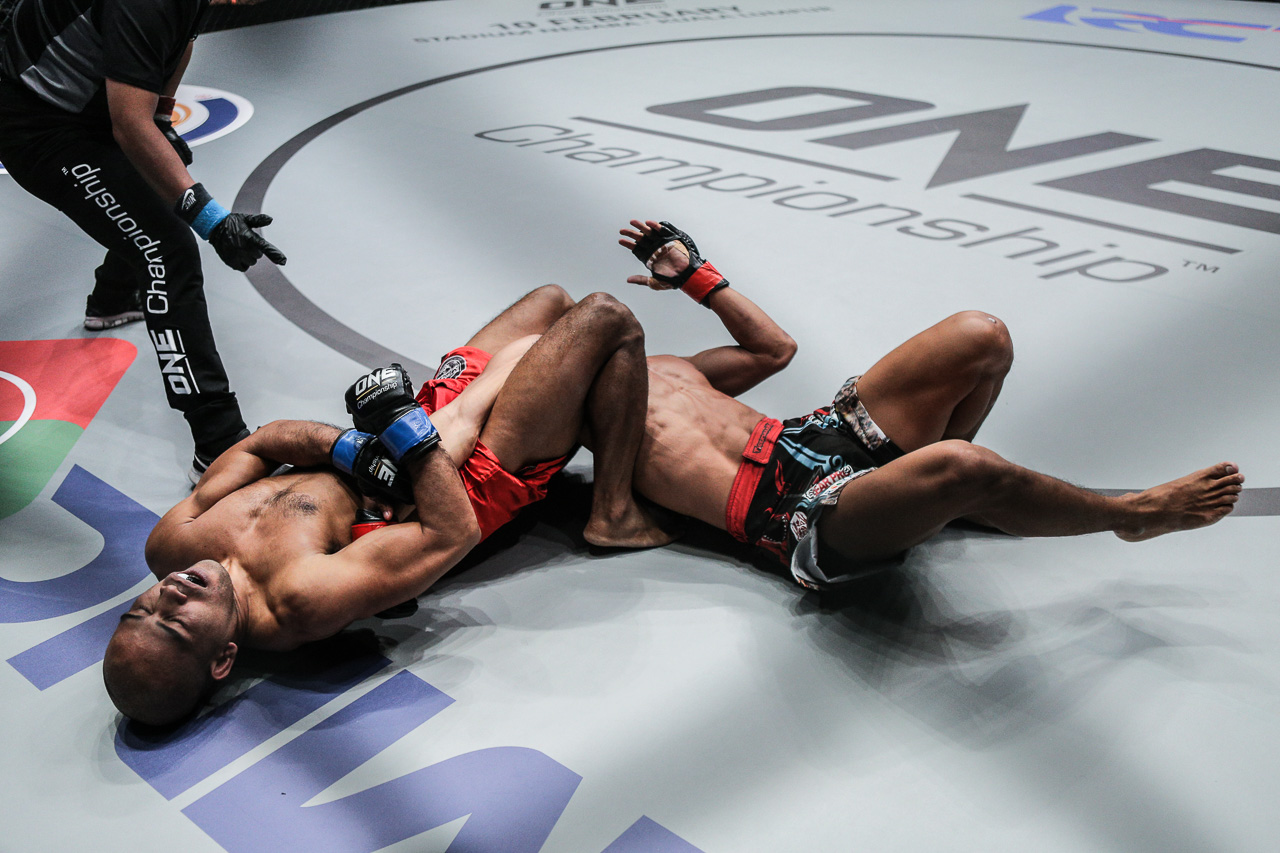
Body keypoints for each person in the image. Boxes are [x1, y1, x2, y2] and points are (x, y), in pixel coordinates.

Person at [103, 286, 673, 726]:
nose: (167, 596)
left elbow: (261, 442)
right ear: (223, 659)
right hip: (466, 477)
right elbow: (450, 533)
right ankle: (614, 512)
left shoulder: (170, 545)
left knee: (550, 302)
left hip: (394, 443)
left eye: (141, 610)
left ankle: (594, 400)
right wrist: (406, 435)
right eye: (174, 623)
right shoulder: (298, 602)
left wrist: (349, 449)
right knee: (607, 318)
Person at [615, 219, 1244, 591]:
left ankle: (934, 501)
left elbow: (773, 350)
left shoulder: (664, 366)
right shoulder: (592, 411)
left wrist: (696, 277)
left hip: (821, 436)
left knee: (981, 335)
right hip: (797, 511)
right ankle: (1131, 515)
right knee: (964, 465)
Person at [0, 0, 286, 481]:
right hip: (37, 124)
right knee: (167, 249)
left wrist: (163, 119)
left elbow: (181, 41)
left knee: (158, 178)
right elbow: (130, 125)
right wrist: (212, 221)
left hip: (84, 105)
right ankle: (217, 442)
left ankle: (112, 297)